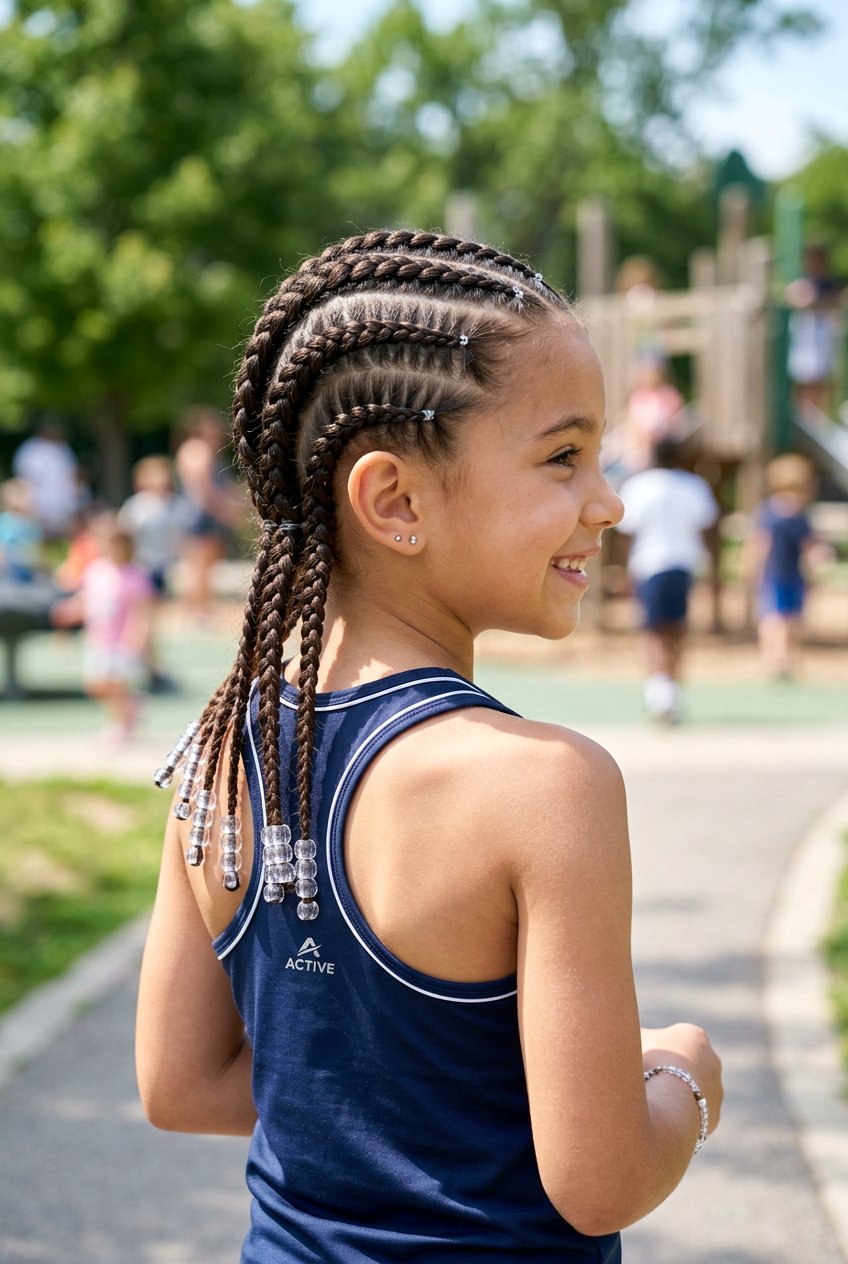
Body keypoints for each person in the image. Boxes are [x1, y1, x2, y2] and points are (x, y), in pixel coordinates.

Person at [136, 231, 723, 1263]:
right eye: (561, 456)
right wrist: (681, 1076)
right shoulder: (546, 788)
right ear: (394, 501)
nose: (609, 501)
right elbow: (598, 1182)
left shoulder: (221, 749)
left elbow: (180, 1085)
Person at [617, 437, 718, 723]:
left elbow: (628, 533)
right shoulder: (693, 486)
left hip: (650, 565)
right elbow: (708, 528)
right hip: (683, 564)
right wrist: (713, 568)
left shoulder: (639, 486)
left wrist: (623, 568)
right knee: (676, 630)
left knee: (652, 631)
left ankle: (660, 693)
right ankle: (671, 688)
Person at [53, 513, 153, 743]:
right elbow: (87, 600)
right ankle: (132, 705)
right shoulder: (96, 571)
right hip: (99, 638)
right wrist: (70, 613)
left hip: (122, 639)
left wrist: (138, 638)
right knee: (95, 684)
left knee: (114, 681)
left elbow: (142, 611)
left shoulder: (135, 575)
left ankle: (121, 725)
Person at [119, 455, 190, 691]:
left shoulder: (172, 505)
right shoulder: (138, 507)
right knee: (144, 621)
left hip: (161, 569)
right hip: (142, 569)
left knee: (152, 623)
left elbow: (179, 538)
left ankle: (149, 664)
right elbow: (126, 537)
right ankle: (146, 665)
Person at [745, 453, 816, 681]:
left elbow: (759, 544)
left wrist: (752, 569)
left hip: (781, 574)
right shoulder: (784, 514)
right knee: (783, 618)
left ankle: (777, 659)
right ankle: (780, 659)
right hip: (781, 574)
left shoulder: (772, 512)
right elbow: (762, 544)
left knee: (776, 618)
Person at [174, 406, 246, 622]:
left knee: (202, 564)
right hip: (201, 515)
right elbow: (205, 490)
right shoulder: (199, 450)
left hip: (198, 513)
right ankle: (198, 610)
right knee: (200, 565)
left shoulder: (195, 450)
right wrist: (224, 511)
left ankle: (198, 608)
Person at [786, 243, 843, 416]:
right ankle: (801, 417)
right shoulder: (802, 283)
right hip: (803, 342)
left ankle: (815, 418)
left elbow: (834, 302)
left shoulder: (829, 285)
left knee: (819, 381)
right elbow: (795, 298)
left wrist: (816, 302)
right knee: (802, 381)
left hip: (821, 341)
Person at [12, 419, 80, 540]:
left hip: (62, 501)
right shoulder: (30, 449)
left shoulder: (63, 448)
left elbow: (70, 475)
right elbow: (25, 478)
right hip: (38, 501)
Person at [0, 479, 42, 582]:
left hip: (28, 565)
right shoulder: (7, 521)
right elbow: (3, 545)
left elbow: (35, 545)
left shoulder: (31, 522)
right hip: (11, 567)